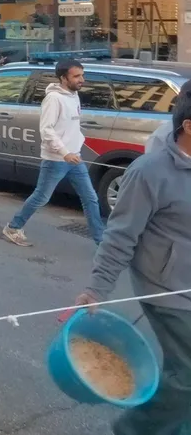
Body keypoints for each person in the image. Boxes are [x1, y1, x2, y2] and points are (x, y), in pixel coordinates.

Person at [69, 90, 191, 435]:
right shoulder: (149, 172)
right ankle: (135, 430)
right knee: (188, 376)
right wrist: (96, 289)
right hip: (168, 290)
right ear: (189, 126)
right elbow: (120, 235)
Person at [2, 58, 104, 247]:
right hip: (57, 159)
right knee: (41, 197)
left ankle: (101, 241)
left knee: (90, 198)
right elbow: (46, 130)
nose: (82, 79)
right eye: (77, 76)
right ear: (63, 78)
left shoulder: (74, 95)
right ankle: (13, 227)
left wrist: (76, 143)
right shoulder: (53, 99)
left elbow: (70, 124)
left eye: (82, 75)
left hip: (74, 157)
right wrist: (64, 152)